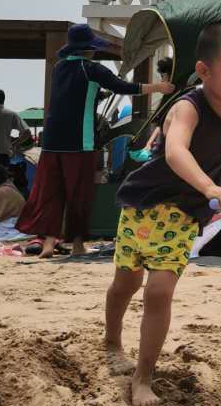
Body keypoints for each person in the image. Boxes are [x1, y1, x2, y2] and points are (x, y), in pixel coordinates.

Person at [104, 22, 221, 406]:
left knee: (158, 291)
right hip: (144, 201)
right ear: (204, 71)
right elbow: (176, 153)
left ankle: (143, 377)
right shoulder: (187, 106)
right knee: (125, 283)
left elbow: (219, 152)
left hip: (183, 213)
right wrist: (209, 188)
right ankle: (111, 343)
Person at [16, 24, 175, 259]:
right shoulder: (92, 69)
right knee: (78, 194)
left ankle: (49, 243)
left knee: (52, 192)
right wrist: (160, 87)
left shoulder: (59, 67)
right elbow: (125, 87)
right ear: (89, 49)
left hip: (51, 141)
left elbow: (73, 94)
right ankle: (78, 244)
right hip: (79, 141)